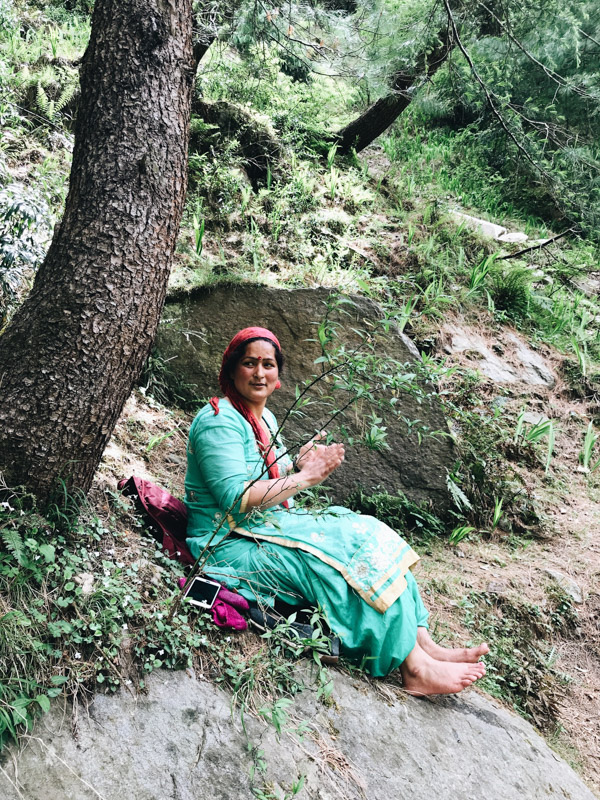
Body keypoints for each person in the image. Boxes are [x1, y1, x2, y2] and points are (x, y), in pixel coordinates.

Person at [184, 327, 488, 694]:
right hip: (226, 543)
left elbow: (271, 485)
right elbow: (235, 497)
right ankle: (415, 669)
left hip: (266, 526)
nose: (260, 373)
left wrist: (298, 468)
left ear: (279, 375)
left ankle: (422, 642)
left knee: (364, 531)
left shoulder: (266, 421)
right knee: (326, 564)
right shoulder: (218, 419)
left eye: (268, 364)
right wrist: (307, 477)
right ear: (232, 370)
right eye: (249, 364)